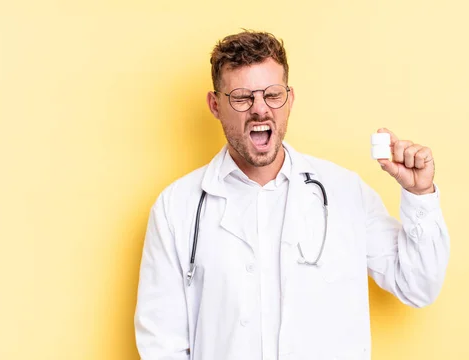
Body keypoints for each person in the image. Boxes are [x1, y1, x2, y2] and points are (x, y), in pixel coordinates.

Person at [134, 30, 450, 360]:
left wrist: (420, 195)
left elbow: (419, 286)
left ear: (290, 99)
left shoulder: (345, 193)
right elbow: (161, 343)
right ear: (215, 105)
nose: (260, 110)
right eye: (242, 97)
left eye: (272, 94)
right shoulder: (176, 209)